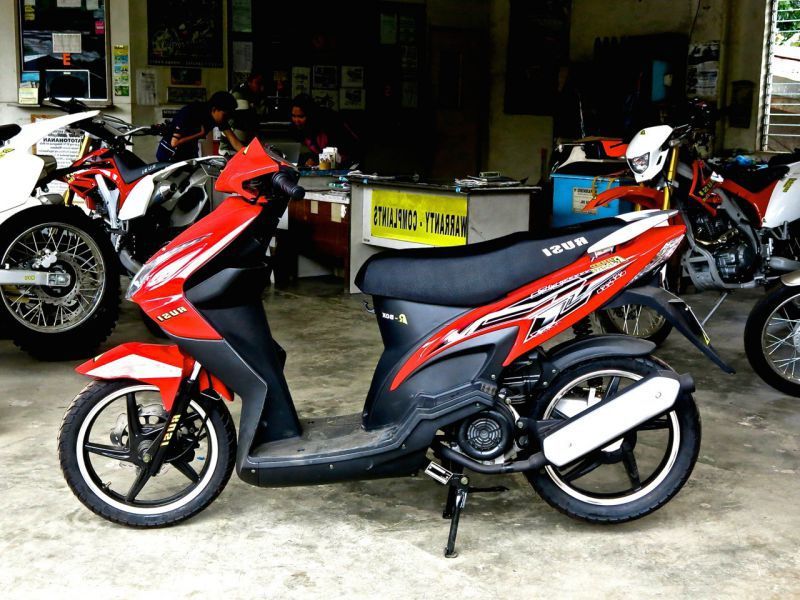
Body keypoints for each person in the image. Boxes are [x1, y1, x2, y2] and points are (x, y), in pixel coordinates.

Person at [156, 91, 243, 162]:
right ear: (214, 109)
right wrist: (200, 134)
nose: (227, 119)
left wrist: (249, 153)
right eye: (225, 115)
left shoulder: (219, 118)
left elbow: (234, 141)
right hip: (169, 152)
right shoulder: (191, 111)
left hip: (189, 152)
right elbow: (174, 143)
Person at [290, 94, 360, 169]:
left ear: (310, 115)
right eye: (294, 116)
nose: (296, 120)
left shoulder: (329, 123)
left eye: (301, 116)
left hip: (350, 164)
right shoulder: (303, 129)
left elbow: (334, 152)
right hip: (333, 164)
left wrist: (316, 160)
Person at [219, 73, 267, 156]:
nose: (260, 87)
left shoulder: (254, 96)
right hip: (231, 149)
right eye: (257, 83)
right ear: (249, 82)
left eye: (262, 84)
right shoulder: (239, 93)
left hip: (241, 148)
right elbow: (246, 121)